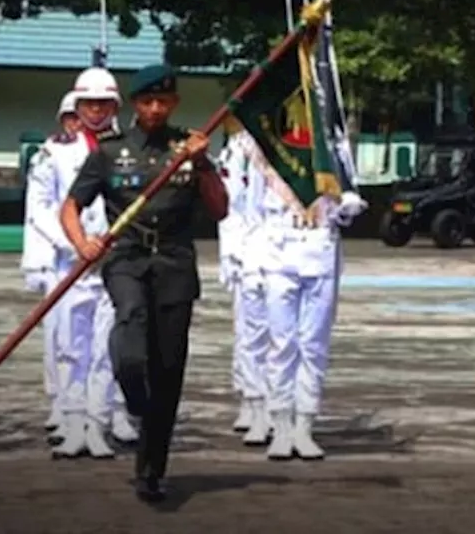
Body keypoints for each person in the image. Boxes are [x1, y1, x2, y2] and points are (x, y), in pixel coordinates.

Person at [59, 63, 228, 502]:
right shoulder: (110, 152)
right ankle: (134, 398)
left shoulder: (187, 147)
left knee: (168, 370)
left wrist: (203, 163)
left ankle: (152, 470)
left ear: (173, 104)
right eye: (147, 101)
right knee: (131, 325)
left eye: (163, 101)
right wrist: (84, 244)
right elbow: (70, 207)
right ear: (135, 104)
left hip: (173, 263)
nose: (155, 109)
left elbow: (220, 208)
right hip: (127, 259)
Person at [26, 68, 138, 458]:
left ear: (115, 106)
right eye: (88, 103)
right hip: (69, 260)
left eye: (103, 103)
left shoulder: (128, 150)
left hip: (114, 261)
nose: (95, 110)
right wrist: (73, 243)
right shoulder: (55, 152)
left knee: (107, 347)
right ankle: (73, 421)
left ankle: (98, 423)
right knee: (70, 347)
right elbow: (40, 207)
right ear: (77, 105)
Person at [241, 143, 366, 461]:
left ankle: (304, 425)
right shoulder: (268, 147)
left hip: (320, 250)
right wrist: (251, 264)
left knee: (313, 345)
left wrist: (346, 205)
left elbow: (342, 195)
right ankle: (281, 423)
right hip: (277, 254)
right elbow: (251, 212)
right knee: (282, 344)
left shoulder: (332, 147)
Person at [20, 91, 81, 439]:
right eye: (69, 117)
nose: (75, 123)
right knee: (59, 336)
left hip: (97, 251)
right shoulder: (50, 154)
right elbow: (37, 210)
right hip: (60, 251)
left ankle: (108, 406)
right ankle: (60, 400)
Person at [216, 120, 269, 439]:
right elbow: (230, 207)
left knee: (282, 336)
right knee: (249, 332)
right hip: (247, 250)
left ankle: (276, 403)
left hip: (283, 247)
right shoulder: (236, 150)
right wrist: (230, 253)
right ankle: (253, 400)